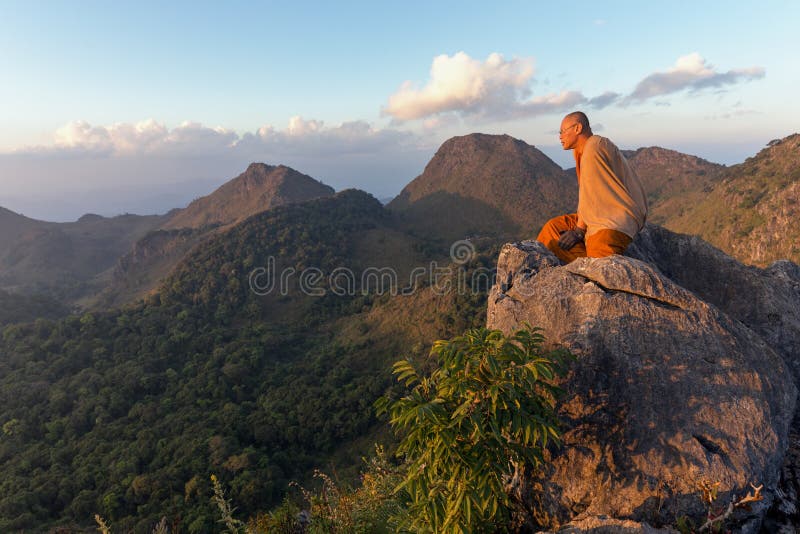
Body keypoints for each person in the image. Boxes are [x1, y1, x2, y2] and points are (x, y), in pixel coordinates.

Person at [536, 111, 648, 263]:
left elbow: (591, 192)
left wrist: (579, 231)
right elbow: (589, 192)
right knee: (553, 229)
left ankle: (588, 269)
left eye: (562, 131)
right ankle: (581, 267)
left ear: (578, 128)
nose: (560, 136)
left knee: (599, 264)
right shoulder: (582, 150)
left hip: (612, 220)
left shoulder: (594, 146)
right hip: (597, 214)